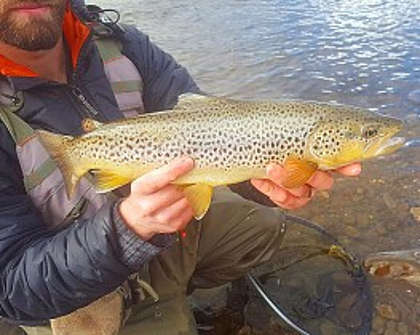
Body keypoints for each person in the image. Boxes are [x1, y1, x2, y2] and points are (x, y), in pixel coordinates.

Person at [0, 0, 361, 334]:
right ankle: (157, 308)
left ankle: (176, 288)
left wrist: (261, 176)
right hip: (78, 293)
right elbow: (10, 290)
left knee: (261, 224)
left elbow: (209, 127)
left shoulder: (118, 44)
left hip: (162, 234)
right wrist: (126, 231)